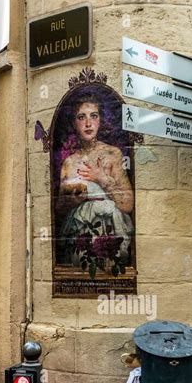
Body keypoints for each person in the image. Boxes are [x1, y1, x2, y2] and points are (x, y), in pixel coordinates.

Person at [58, 95, 134, 264]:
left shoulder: (112, 154)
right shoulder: (69, 163)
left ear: (100, 120)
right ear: (74, 123)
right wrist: (72, 200)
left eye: (93, 116)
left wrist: (101, 178)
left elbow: (128, 204)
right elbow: (59, 211)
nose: (88, 123)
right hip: (79, 237)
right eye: (81, 117)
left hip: (109, 234)